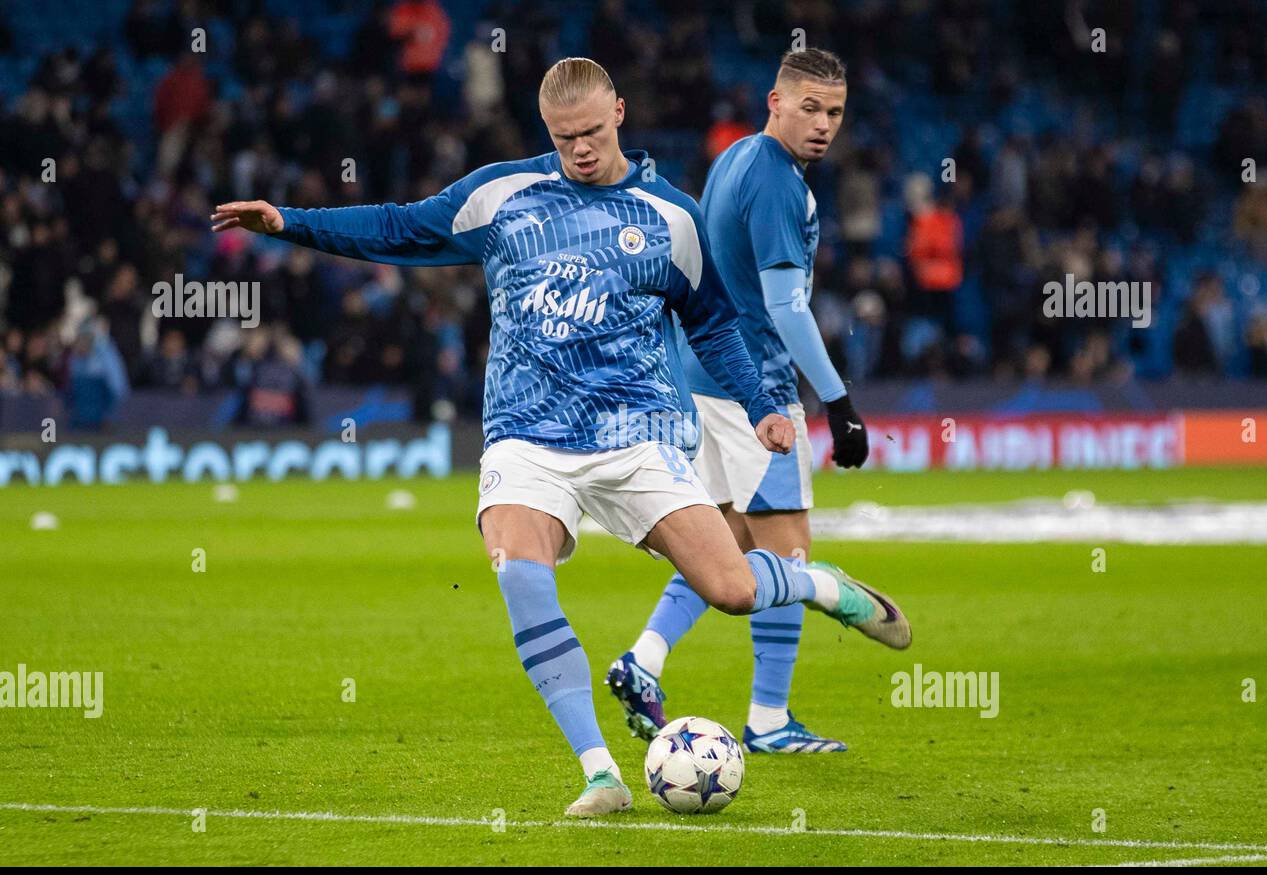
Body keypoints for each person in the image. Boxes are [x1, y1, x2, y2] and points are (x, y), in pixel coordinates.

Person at [212, 57, 896, 817]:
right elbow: (400, 227)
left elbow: (713, 323)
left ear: (621, 116)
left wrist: (764, 402)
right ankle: (601, 772)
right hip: (525, 440)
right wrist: (291, 223)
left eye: (594, 133)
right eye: (565, 137)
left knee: (733, 588)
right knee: (520, 574)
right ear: (549, 131)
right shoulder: (501, 195)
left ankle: (817, 584)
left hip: (637, 439)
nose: (580, 149)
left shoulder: (670, 217)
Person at [608, 49, 910, 756]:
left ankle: (644, 660)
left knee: (726, 541)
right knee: (791, 553)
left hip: (705, 379)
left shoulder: (737, 157)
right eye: (810, 107)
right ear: (775, 100)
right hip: (759, 394)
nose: (824, 124)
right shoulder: (776, 180)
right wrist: (839, 402)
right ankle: (771, 718)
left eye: (835, 112)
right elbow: (787, 305)